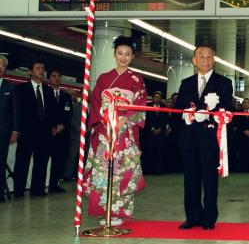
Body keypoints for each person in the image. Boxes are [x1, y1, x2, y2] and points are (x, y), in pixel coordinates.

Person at [82, 37, 147, 225]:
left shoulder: (136, 78)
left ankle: (119, 212)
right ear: (114, 54)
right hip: (105, 130)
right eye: (120, 53)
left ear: (133, 56)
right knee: (102, 170)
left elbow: (140, 103)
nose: (123, 57)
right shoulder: (104, 78)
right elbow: (95, 102)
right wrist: (103, 119)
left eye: (127, 54)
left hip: (124, 131)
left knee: (122, 170)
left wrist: (124, 118)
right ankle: (105, 210)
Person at [174, 44, 234, 230]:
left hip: (210, 139)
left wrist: (210, 114)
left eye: (209, 57)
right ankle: (192, 217)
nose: (205, 60)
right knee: (190, 179)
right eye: (201, 57)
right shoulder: (186, 83)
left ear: (214, 59)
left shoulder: (224, 83)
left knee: (209, 180)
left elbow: (227, 109)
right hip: (189, 138)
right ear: (194, 60)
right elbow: (178, 109)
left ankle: (209, 218)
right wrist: (188, 114)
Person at [12, 62, 56, 197]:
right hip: (26, 131)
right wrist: (16, 129)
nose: (41, 71)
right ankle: (19, 191)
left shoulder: (48, 90)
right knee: (22, 162)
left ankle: (38, 190)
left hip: (44, 132)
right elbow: (17, 110)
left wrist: (54, 126)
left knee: (41, 162)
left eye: (43, 69)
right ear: (30, 72)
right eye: (38, 69)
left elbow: (53, 110)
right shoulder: (21, 89)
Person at [47, 69, 73, 192]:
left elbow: (69, 114)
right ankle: (40, 185)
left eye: (59, 76)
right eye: (54, 76)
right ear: (49, 79)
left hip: (62, 134)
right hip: (48, 133)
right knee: (43, 161)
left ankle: (54, 184)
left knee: (59, 160)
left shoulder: (66, 96)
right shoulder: (45, 93)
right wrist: (52, 127)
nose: (57, 78)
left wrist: (61, 126)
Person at [0, 56, 16, 202]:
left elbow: (15, 112)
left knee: (0, 162)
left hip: (3, 132)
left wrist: (15, 131)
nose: (0, 67)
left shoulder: (10, 87)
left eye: (3, 65)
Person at [143, 91, 170, 175]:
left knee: (159, 152)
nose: (157, 99)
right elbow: (145, 119)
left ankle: (158, 171)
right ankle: (147, 170)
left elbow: (166, 120)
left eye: (159, 97)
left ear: (161, 99)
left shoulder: (164, 107)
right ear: (153, 98)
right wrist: (152, 129)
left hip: (160, 133)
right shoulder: (147, 106)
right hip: (149, 133)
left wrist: (160, 129)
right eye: (155, 97)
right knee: (149, 151)